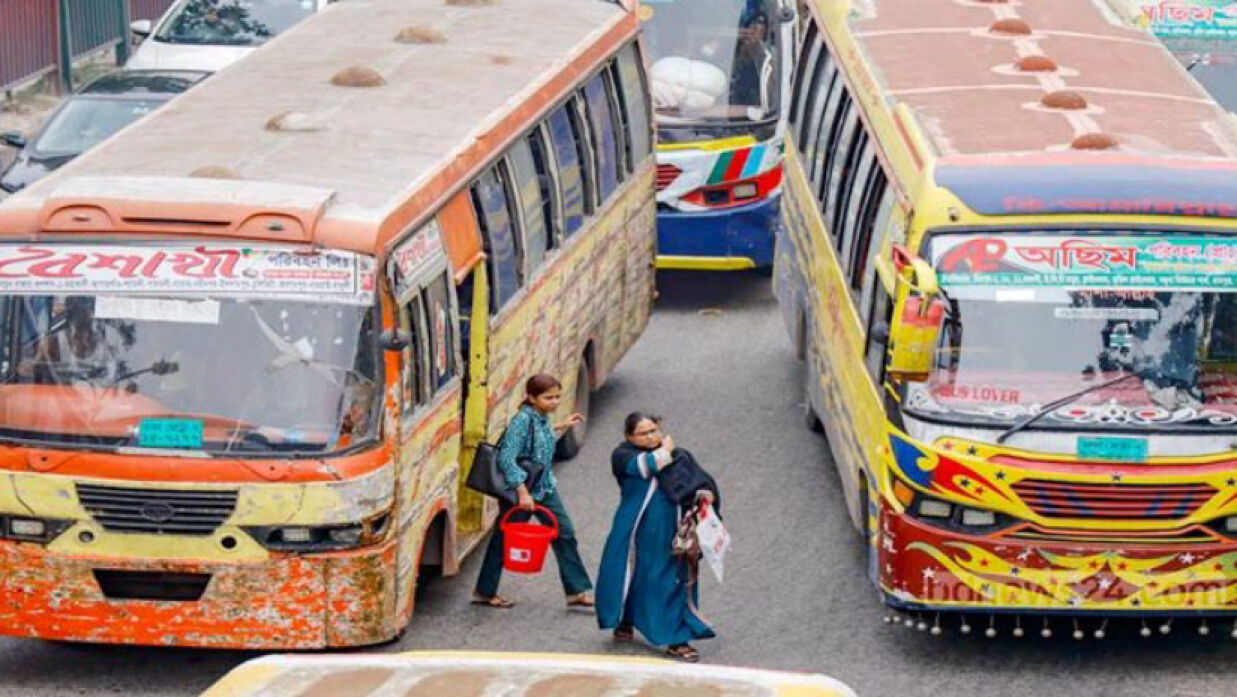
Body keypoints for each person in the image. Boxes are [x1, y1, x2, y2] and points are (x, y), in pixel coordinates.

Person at [596, 413, 718, 663]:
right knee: (632, 573)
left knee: (670, 580)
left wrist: (704, 499)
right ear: (629, 437)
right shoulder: (623, 456)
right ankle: (624, 618)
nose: (651, 436)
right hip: (635, 530)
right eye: (643, 433)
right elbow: (651, 465)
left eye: (654, 430)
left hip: (671, 531)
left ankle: (676, 639)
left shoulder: (679, 456)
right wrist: (666, 449)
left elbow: (701, 482)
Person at [472, 374, 593, 609]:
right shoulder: (521, 421)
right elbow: (507, 458)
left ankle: (576, 590)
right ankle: (485, 591)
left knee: (564, 532)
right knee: (504, 538)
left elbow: (540, 439)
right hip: (522, 492)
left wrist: (563, 424)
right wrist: (522, 492)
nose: (555, 402)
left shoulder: (542, 418)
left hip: (545, 487)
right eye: (548, 398)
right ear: (531, 397)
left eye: (557, 397)